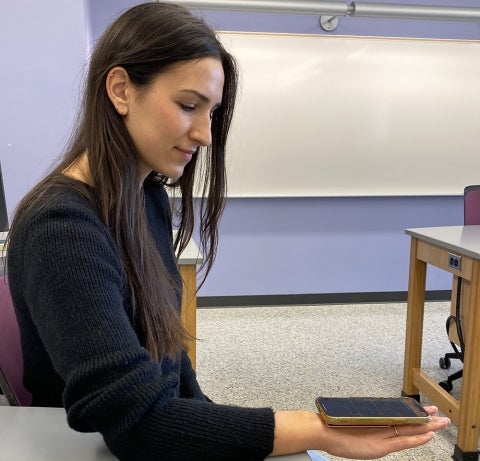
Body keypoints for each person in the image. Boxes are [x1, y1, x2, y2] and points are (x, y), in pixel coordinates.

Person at [6, 2, 450, 460]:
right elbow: (136, 423)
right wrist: (317, 430)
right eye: (187, 105)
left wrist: (235, 431)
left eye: (212, 112)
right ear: (120, 90)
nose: (205, 135)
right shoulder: (60, 228)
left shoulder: (146, 198)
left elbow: (174, 374)